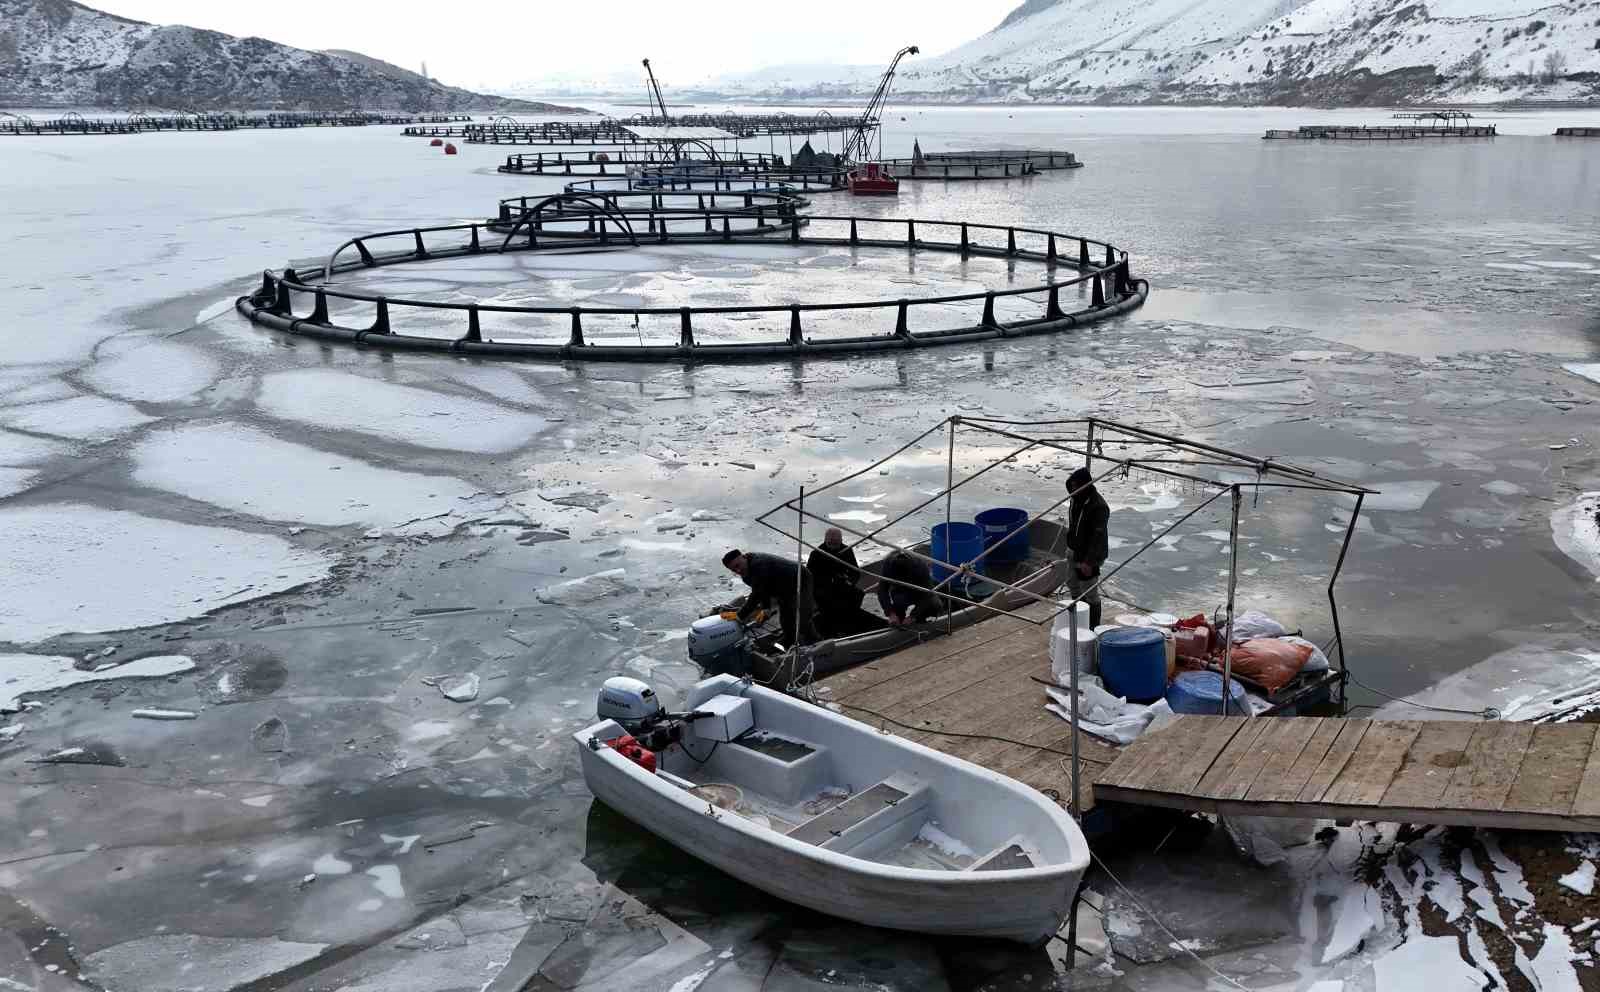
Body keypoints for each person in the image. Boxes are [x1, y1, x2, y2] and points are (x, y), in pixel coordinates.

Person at [722, 549, 818, 649]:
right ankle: (789, 639)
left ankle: (814, 642)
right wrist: (766, 607)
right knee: (785, 617)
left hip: (800, 579)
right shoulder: (746, 573)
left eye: (738, 565)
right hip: (781, 586)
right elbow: (763, 589)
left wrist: (740, 615)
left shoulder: (758, 564)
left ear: (744, 557)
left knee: (802, 617)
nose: (738, 571)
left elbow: (757, 593)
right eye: (733, 570)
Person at [1065, 466, 1110, 628]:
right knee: (1073, 584)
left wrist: (1089, 562)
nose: (1072, 488)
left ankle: (1093, 625)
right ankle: (1079, 619)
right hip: (1074, 549)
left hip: (1088, 555)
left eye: (1076, 485)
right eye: (1071, 485)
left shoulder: (1098, 507)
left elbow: (1097, 538)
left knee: (1089, 592)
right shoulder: (1075, 499)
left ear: (1085, 485)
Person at [808, 528, 867, 637]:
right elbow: (810, 577)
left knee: (858, 594)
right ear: (825, 540)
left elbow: (855, 572)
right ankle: (831, 631)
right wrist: (828, 580)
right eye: (830, 542)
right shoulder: (816, 554)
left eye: (836, 542)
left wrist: (850, 581)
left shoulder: (846, 550)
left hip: (843, 585)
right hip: (823, 588)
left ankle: (848, 623)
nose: (833, 545)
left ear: (841, 540)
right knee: (830, 603)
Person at [876, 549, 941, 627]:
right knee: (899, 600)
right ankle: (898, 618)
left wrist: (913, 616)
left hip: (919, 589)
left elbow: (927, 595)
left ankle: (919, 619)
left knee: (935, 605)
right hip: (899, 590)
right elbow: (882, 590)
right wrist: (890, 613)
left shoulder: (920, 567)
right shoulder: (888, 564)